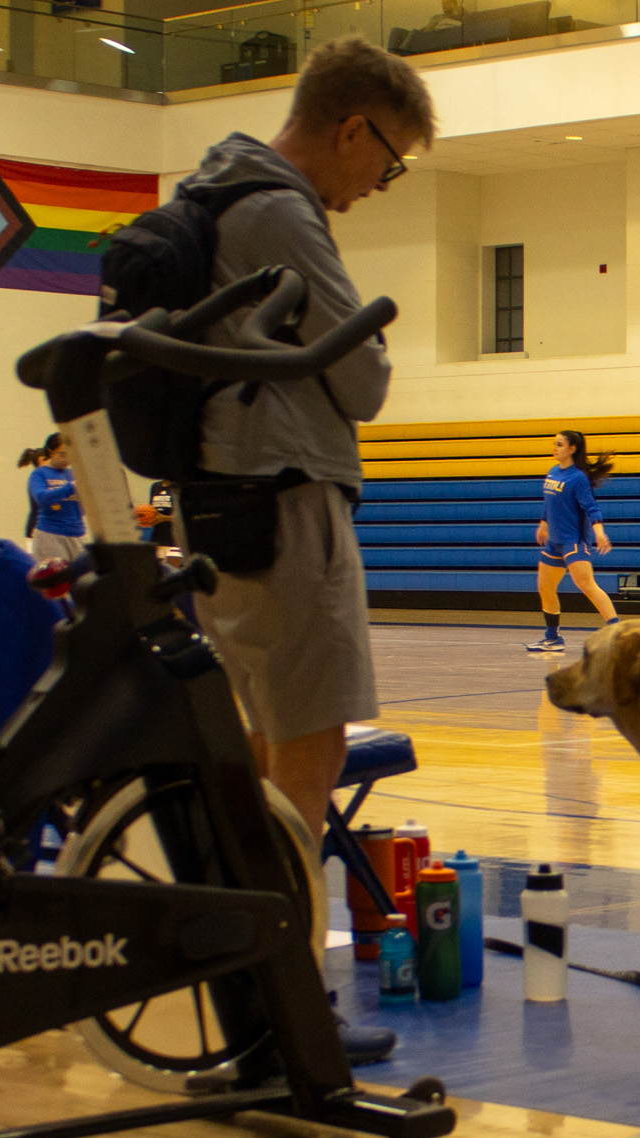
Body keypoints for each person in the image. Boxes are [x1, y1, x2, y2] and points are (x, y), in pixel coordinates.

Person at [177, 36, 436, 1065]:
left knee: (257, 750)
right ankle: (290, 1003)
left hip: (221, 500)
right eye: (389, 162)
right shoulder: (282, 207)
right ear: (350, 129)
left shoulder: (212, 187)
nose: (378, 187)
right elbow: (364, 383)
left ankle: (249, 988)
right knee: (310, 749)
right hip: (286, 499)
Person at [528, 429, 619, 653]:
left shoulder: (578, 478)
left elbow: (591, 507)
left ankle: (617, 634)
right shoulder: (552, 472)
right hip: (554, 542)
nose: (554, 448)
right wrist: (543, 524)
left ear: (572, 449)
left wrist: (599, 532)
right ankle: (552, 638)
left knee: (586, 585)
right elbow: (549, 504)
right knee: (545, 587)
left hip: (573, 541)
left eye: (559, 444)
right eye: (554, 444)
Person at [27, 433, 86, 563]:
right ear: (51, 452)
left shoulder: (73, 474)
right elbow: (42, 497)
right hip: (51, 534)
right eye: (63, 454)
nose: (67, 459)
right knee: (59, 578)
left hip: (76, 533)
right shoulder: (39, 473)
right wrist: (70, 487)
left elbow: (82, 509)